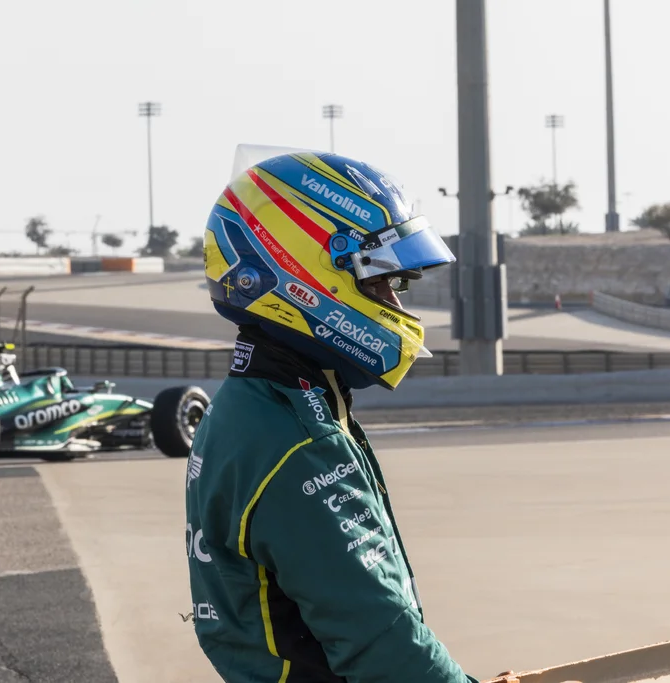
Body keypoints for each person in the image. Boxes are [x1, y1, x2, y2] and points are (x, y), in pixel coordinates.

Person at [185, 151, 485, 682]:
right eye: (377, 284)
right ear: (299, 277)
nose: (395, 305)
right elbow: (384, 645)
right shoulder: (296, 440)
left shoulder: (254, 403)